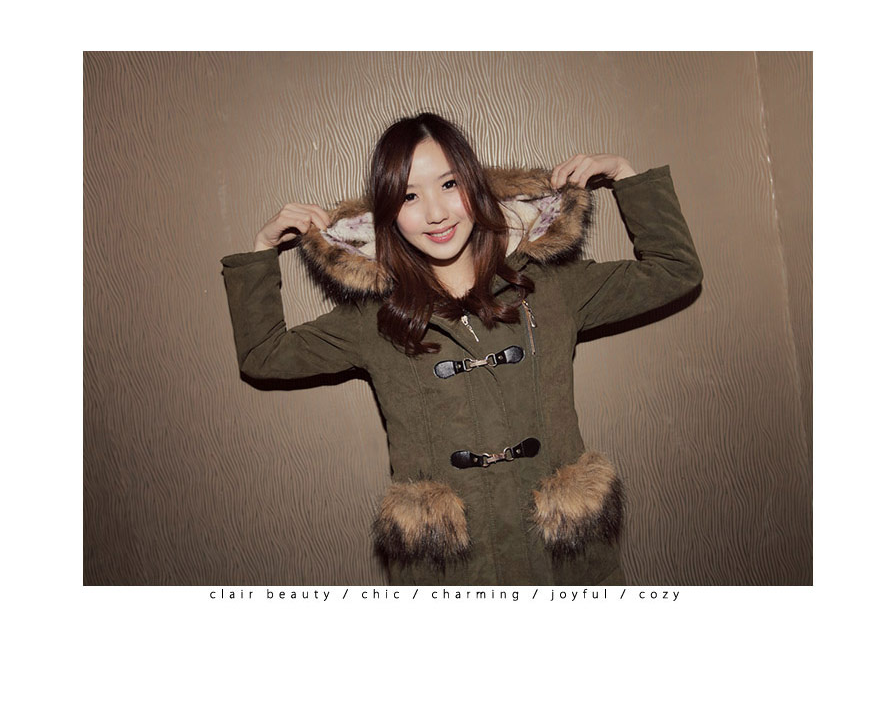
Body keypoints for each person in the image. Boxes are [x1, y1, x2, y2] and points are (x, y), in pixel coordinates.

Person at [223, 111, 703, 576]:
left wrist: (624, 174)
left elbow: (673, 272)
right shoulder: (373, 317)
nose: (436, 213)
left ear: (475, 185)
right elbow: (264, 356)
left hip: (564, 555)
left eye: (449, 184)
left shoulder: (551, 285)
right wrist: (262, 249)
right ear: (389, 212)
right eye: (409, 196)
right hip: (449, 567)